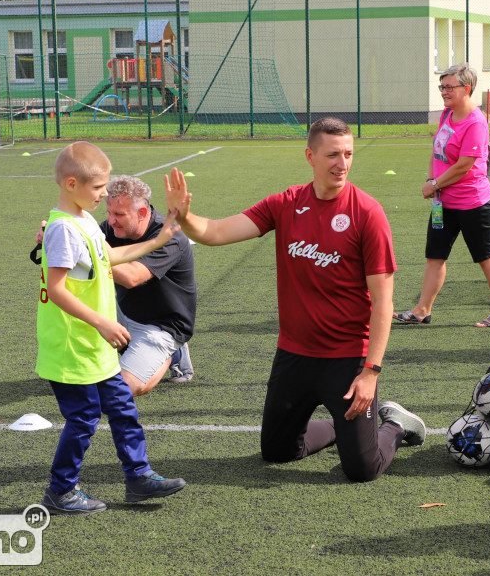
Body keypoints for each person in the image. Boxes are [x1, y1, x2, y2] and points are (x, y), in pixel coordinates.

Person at [163, 117, 426, 483]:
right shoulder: (285, 204)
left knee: (362, 470)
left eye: (348, 154)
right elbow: (217, 232)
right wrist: (186, 215)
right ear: (310, 156)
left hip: (347, 360)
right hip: (295, 356)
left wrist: (371, 372)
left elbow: (383, 301)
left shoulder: (368, 213)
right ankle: (340, 428)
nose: (343, 163)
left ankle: (394, 425)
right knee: (278, 452)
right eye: (333, 154)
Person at [37, 141, 186, 514]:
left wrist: (161, 238)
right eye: (98, 187)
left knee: (122, 408)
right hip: (74, 348)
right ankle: (61, 490)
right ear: (72, 184)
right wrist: (104, 322)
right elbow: (56, 290)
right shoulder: (63, 229)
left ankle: (138, 477)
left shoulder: (85, 221)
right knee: (84, 419)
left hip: (96, 345)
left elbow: (109, 257)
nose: (104, 194)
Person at [392, 62, 490, 328]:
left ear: (466, 89)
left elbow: (464, 165)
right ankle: (422, 310)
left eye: (449, 87)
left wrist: (434, 184)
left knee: (485, 255)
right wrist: (431, 180)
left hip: (473, 203)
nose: (444, 92)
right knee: (435, 255)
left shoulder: (476, 122)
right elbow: (437, 152)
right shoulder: (448, 114)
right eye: (441, 87)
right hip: (443, 203)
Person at [102, 175, 197, 393]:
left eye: (119, 214)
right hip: (122, 312)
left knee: (122, 390)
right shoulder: (111, 227)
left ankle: (173, 352)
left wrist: (87, 251)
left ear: (142, 213)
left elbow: (131, 277)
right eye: (109, 213)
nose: (111, 220)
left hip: (162, 326)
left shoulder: (169, 236)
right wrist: (53, 233)